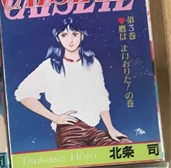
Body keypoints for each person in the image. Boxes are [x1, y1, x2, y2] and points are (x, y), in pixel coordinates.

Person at [15, 17, 132, 149]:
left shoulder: (92, 63)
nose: (70, 40)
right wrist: (55, 118)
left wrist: (110, 128)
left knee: (126, 146)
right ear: (58, 38)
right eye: (64, 35)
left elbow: (101, 97)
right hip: (69, 131)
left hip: (92, 130)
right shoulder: (50, 66)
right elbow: (23, 93)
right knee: (80, 157)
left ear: (82, 36)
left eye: (75, 34)